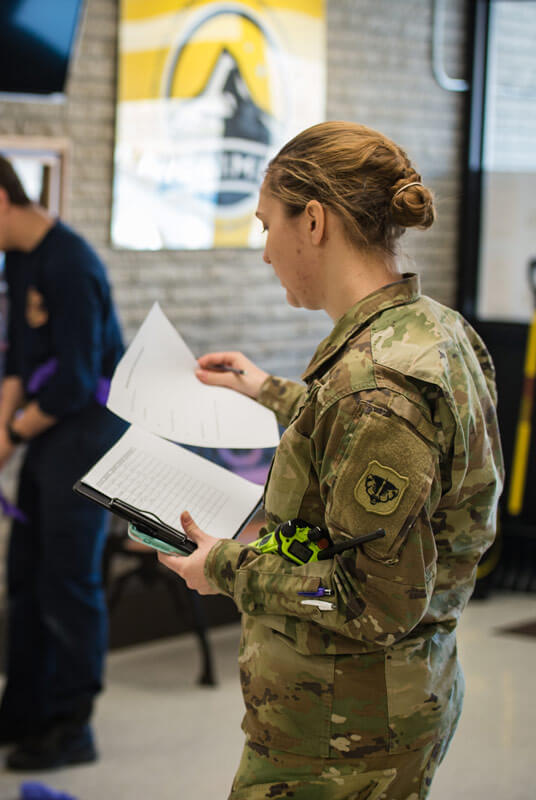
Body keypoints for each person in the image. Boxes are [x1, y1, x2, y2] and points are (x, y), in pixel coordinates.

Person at [157, 121, 503, 798]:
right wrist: (269, 391)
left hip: (339, 740)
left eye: (266, 226)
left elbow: (370, 603)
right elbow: (386, 448)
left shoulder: (371, 388)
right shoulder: (432, 329)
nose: (265, 253)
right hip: (398, 701)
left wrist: (223, 566)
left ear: (312, 221)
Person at [0, 153, 126, 771]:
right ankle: (23, 709)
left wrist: (8, 439)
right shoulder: (19, 259)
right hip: (45, 432)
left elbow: (73, 381)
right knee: (25, 575)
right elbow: (18, 356)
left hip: (87, 433)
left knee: (69, 582)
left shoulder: (71, 263)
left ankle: (72, 725)